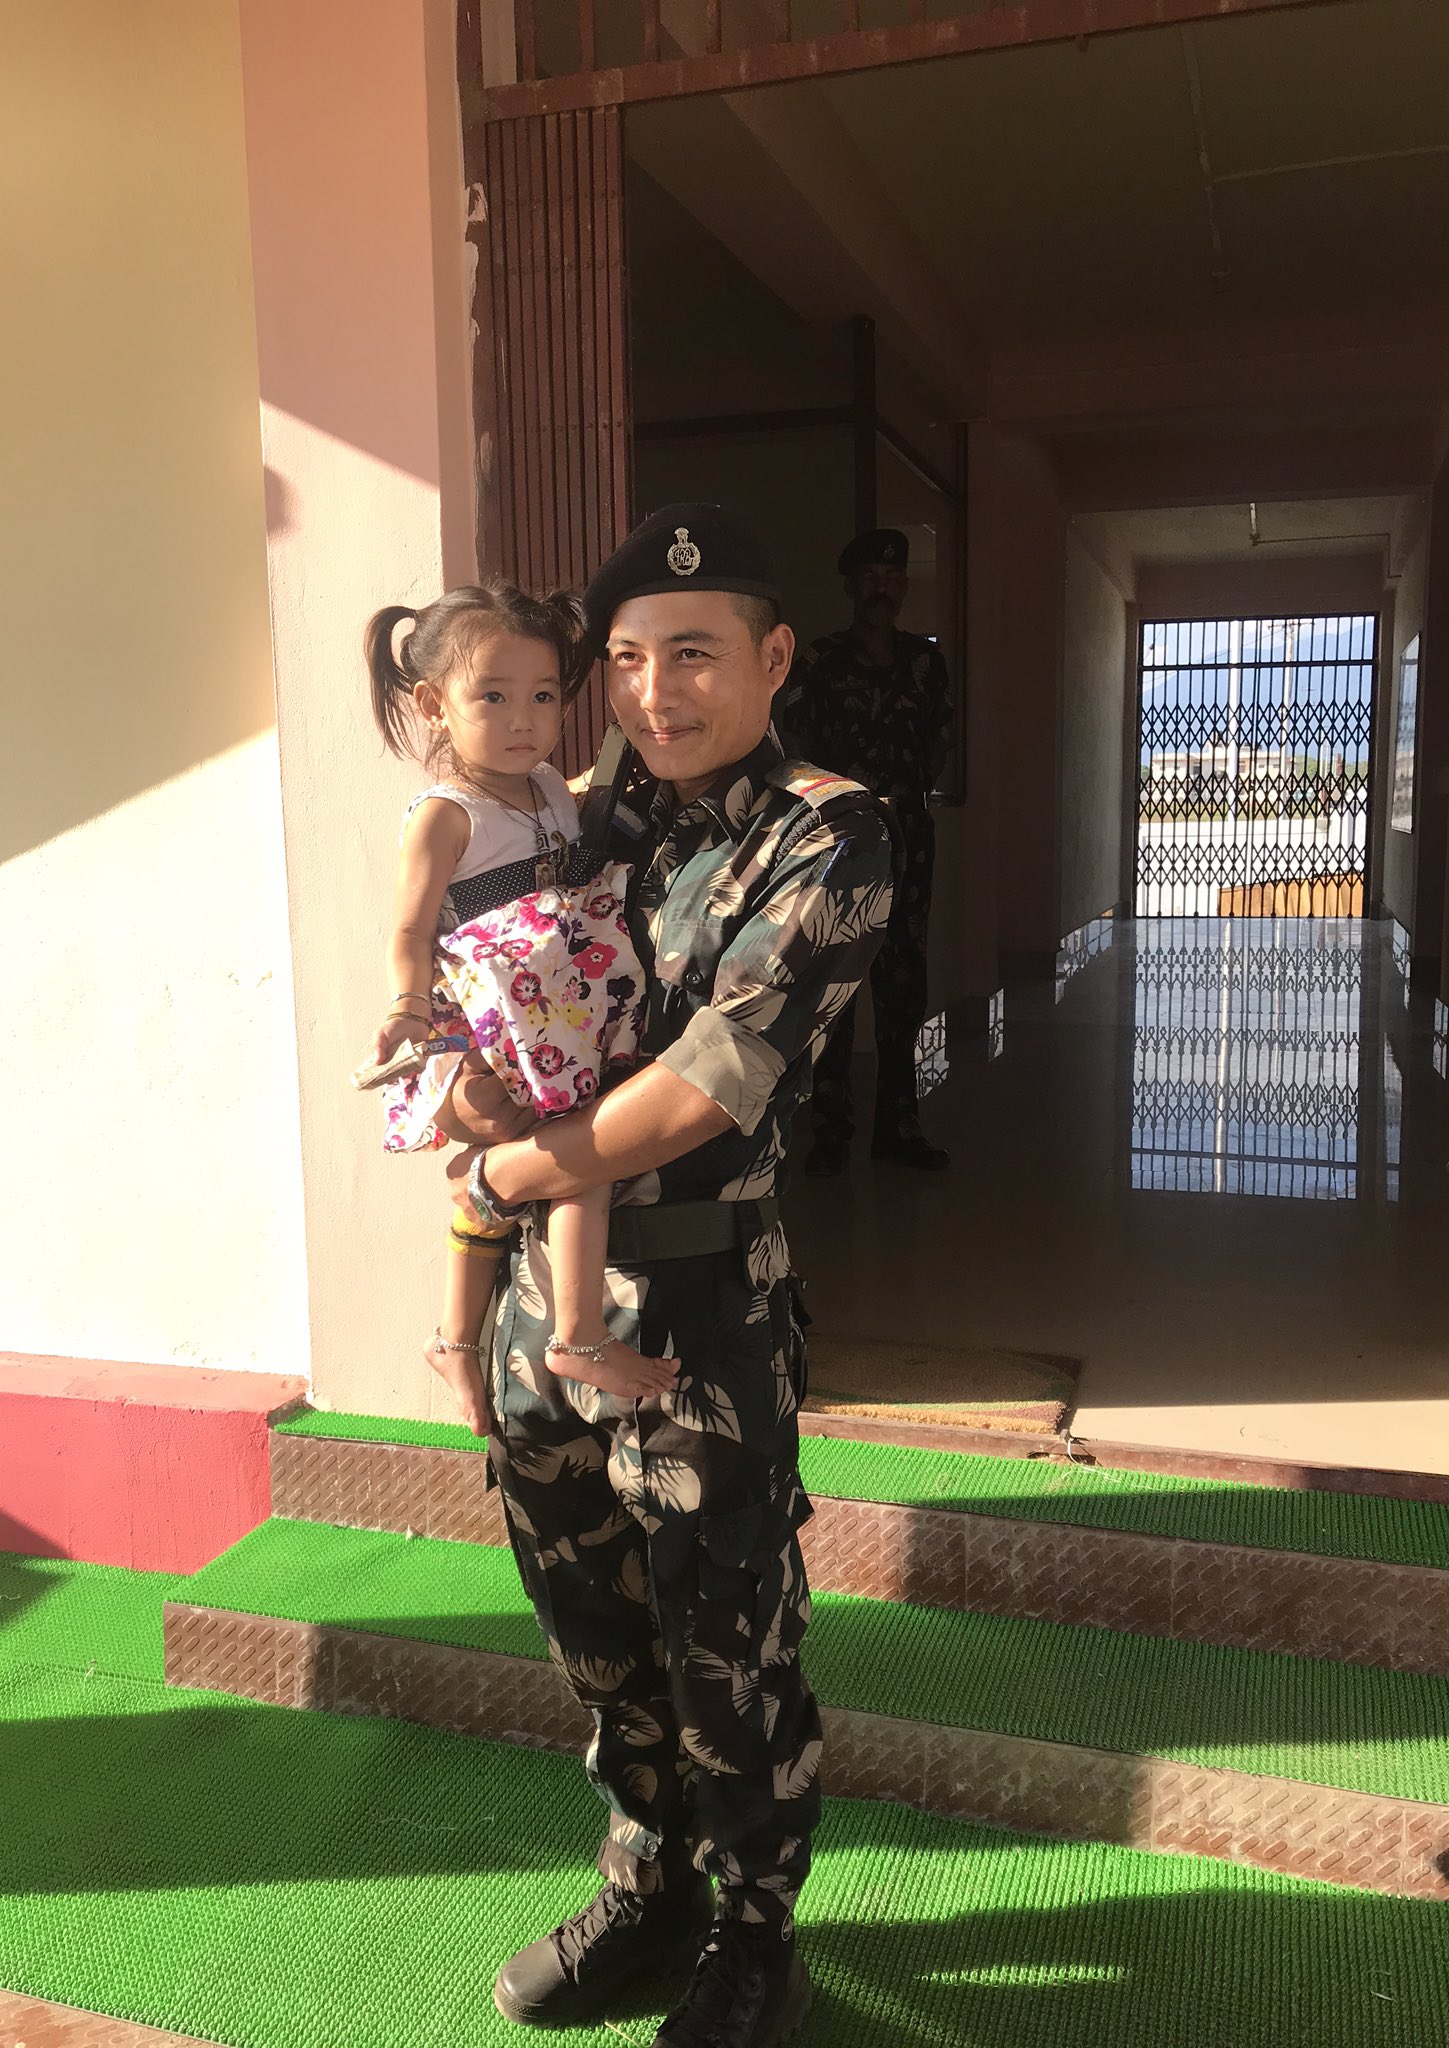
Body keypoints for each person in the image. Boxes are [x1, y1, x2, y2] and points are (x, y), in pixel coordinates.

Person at [446, 504, 893, 2046]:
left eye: (693, 655)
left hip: (702, 1313)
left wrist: (507, 1172)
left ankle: (757, 1938)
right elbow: (481, 981)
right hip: (542, 1313)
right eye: (628, 661)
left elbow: (707, 1084)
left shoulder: (829, 835)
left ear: (775, 660)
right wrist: (452, 1076)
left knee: (726, 1648)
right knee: (593, 1628)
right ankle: (649, 1888)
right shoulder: (575, 817)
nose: (654, 692)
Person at [354, 580, 677, 1426]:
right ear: (433, 704)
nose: (524, 719)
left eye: (542, 696)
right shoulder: (445, 815)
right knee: (578, 1161)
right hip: (483, 1028)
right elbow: (410, 928)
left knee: (528, 1174)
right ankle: (574, 1334)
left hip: (555, 1019)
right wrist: (405, 1008)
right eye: (492, 697)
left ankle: (459, 1342)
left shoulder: (549, 789)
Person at [779, 527, 953, 1175]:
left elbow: (939, 743)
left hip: (908, 844)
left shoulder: (925, 663)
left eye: (893, 578)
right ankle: (831, 1130)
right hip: (839, 847)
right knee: (834, 982)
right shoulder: (821, 662)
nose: (883, 588)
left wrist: (902, 799)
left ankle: (899, 1125)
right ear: (852, 587)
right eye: (871, 578)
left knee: (903, 984)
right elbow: (795, 749)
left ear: (904, 587)